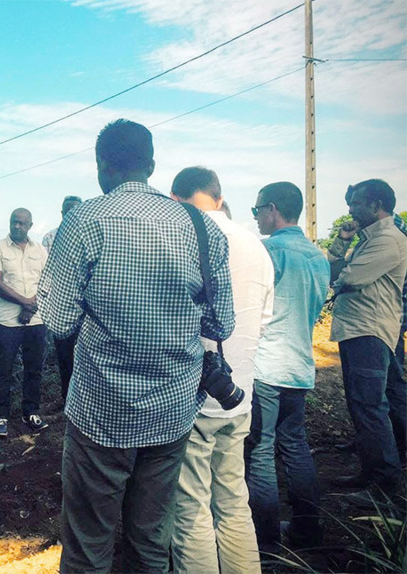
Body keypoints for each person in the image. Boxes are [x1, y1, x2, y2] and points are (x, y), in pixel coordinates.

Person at [38, 120, 234, 572]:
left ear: (101, 167)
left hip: (101, 411)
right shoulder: (201, 227)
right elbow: (221, 322)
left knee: (89, 543)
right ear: (150, 165)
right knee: (150, 539)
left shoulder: (83, 220)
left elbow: (62, 321)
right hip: (172, 410)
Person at [169, 168, 273, 574]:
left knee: (191, 508)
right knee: (233, 501)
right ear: (218, 196)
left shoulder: (182, 239)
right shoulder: (256, 245)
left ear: (176, 200)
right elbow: (265, 320)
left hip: (192, 399)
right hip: (239, 394)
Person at [245, 182, 330, 553]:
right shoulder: (318, 256)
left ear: (272, 209)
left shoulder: (267, 253)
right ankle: (308, 529)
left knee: (261, 450)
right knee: (295, 445)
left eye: (257, 210)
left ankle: (265, 537)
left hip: (266, 366)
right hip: (299, 365)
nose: (256, 218)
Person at [327, 180, 407, 505]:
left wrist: (340, 269)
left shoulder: (388, 240)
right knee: (363, 406)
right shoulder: (368, 239)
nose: (349, 209)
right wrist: (342, 244)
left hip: (369, 332)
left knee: (370, 408)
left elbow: (347, 278)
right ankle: (371, 472)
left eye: (356, 203)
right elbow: (335, 273)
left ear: (376, 205)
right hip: (358, 330)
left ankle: (385, 486)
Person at [0, 208, 49, 438]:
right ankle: (0, 417)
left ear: (30, 225)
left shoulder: (40, 250)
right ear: (10, 222)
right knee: (3, 370)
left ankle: (30, 412)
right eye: (14, 222)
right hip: (7, 322)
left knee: (34, 369)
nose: (17, 226)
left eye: (22, 223)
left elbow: (47, 280)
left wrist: (31, 307)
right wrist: (25, 303)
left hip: (36, 320)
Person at [42, 195, 83, 405]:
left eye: (76, 210)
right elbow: (46, 274)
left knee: (87, 355)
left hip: (86, 308)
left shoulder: (89, 234)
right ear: (62, 213)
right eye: (68, 211)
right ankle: (67, 397)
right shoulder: (50, 238)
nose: (72, 215)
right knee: (64, 354)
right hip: (62, 305)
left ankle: (85, 398)